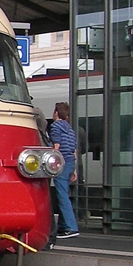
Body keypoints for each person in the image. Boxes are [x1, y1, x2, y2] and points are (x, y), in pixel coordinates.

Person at [49, 102, 79, 240]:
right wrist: (74, 170)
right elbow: (74, 151)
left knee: (61, 196)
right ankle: (62, 226)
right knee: (64, 193)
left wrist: (51, 165)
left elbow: (56, 147)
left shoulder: (55, 127)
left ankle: (71, 227)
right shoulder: (70, 129)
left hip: (61, 163)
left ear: (56, 113)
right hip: (70, 163)